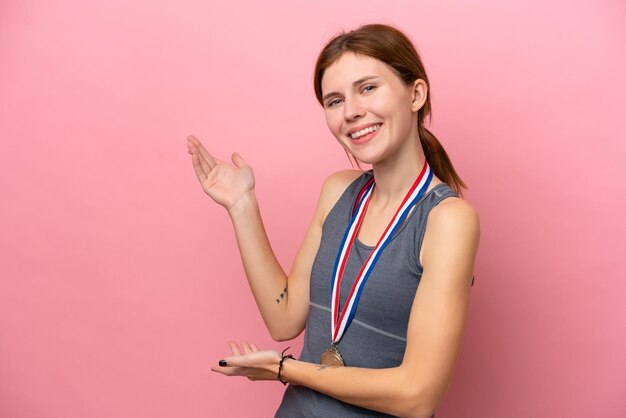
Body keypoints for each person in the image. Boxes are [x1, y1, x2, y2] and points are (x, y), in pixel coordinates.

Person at [186, 23, 479, 418]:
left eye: (368, 87)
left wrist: (286, 369)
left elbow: (417, 396)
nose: (352, 111)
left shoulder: (448, 220)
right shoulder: (338, 192)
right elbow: (284, 318)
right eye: (334, 100)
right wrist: (242, 205)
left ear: (416, 94)